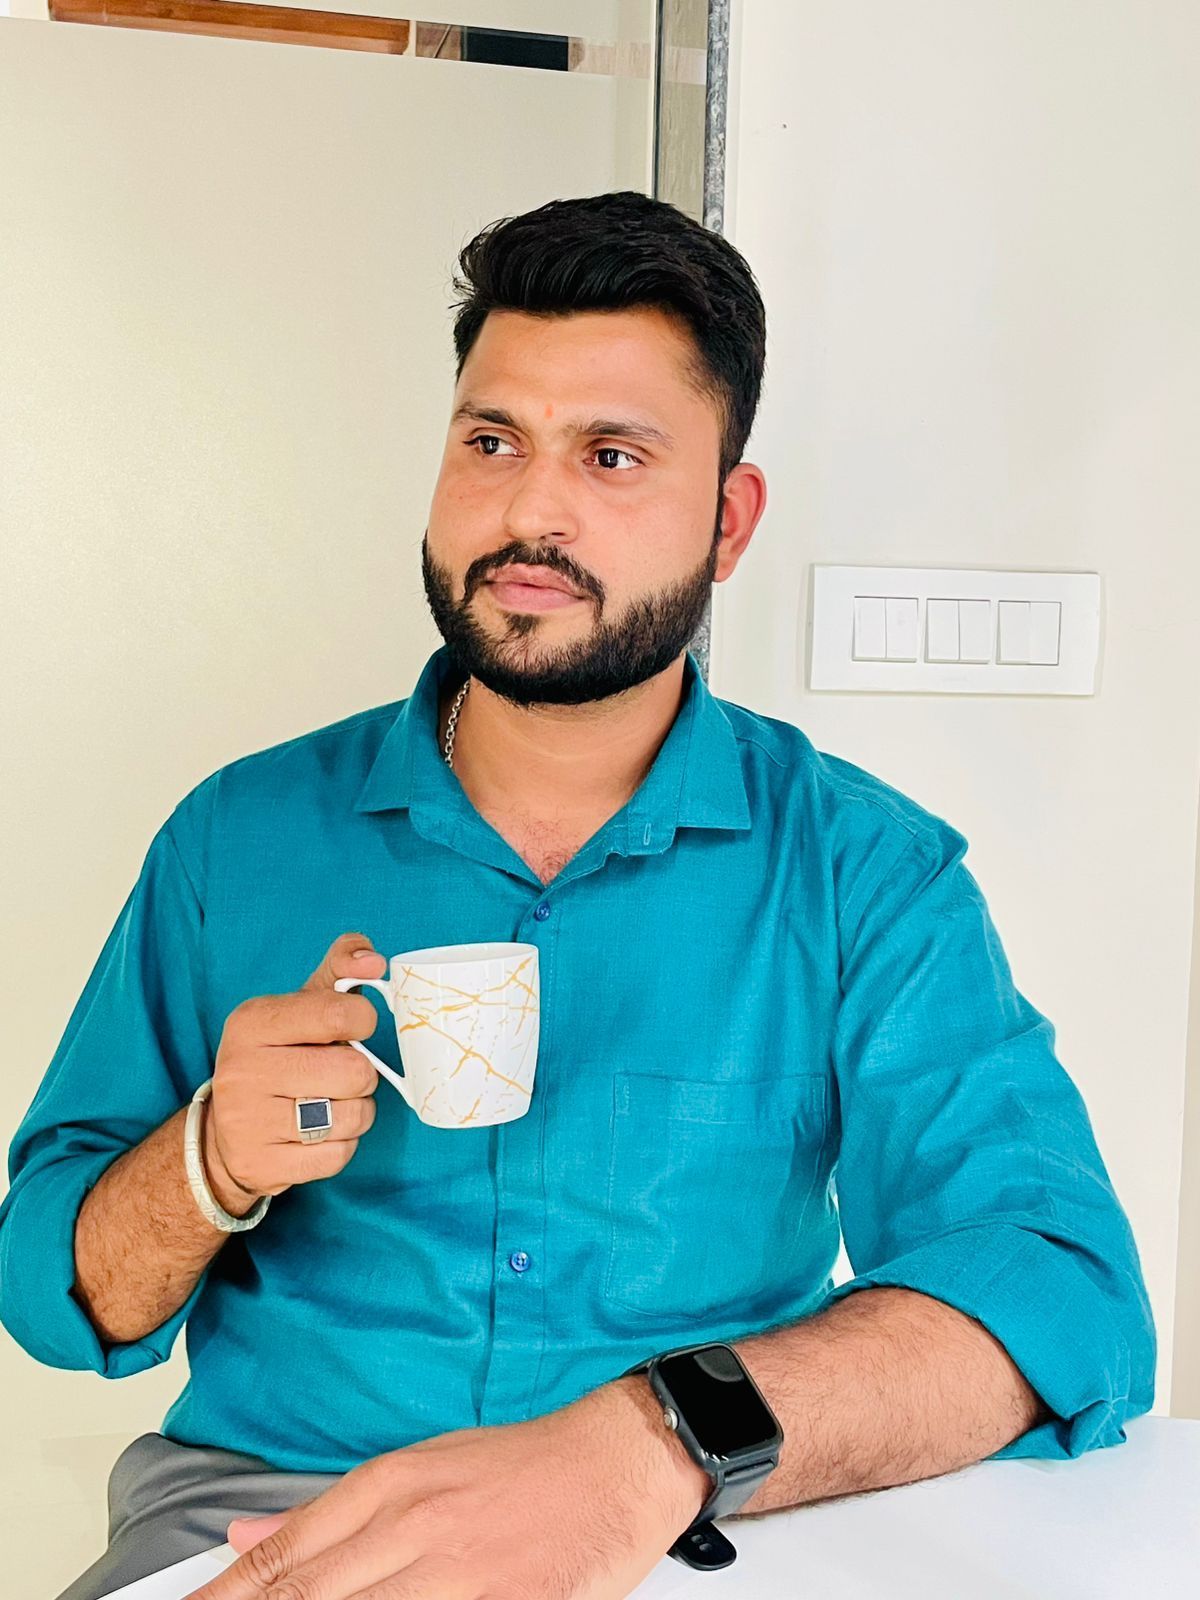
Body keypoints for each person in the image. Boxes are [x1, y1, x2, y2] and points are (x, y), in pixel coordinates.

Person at [1, 190, 1154, 1600]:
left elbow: (1065, 1295)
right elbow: (51, 1296)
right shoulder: (235, 839)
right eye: (491, 442)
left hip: (697, 1527)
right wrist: (207, 1163)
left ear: (728, 520)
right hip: (274, 1521)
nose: (530, 511)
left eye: (612, 456)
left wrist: (658, 1441)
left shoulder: (865, 870)